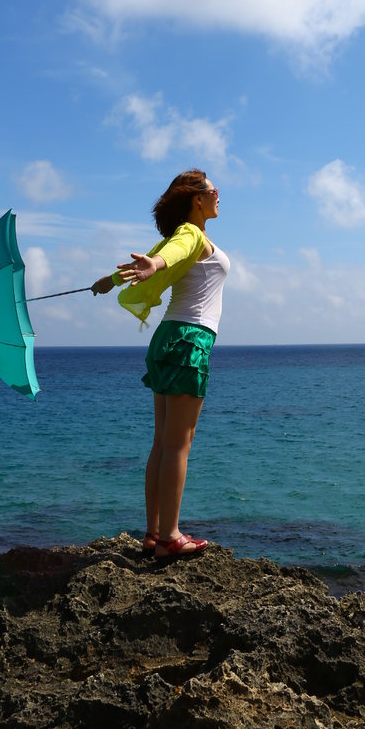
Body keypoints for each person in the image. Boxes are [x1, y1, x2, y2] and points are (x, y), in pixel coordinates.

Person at [92, 169, 230, 561]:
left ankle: (153, 533)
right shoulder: (191, 234)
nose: (219, 195)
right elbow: (165, 258)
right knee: (178, 445)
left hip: (166, 338)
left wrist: (110, 280)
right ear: (196, 200)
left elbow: (158, 256)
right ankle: (170, 537)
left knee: (162, 443)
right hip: (190, 339)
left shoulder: (179, 238)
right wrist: (155, 266)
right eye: (212, 190)